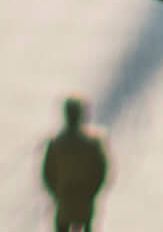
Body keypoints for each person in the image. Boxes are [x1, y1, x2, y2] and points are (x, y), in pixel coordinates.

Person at [40, 94, 108, 229]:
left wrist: (57, 194)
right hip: (85, 201)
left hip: (64, 200)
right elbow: (101, 170)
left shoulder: (57, 144)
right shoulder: (93, 143)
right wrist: (92, 192)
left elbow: (47, 173)